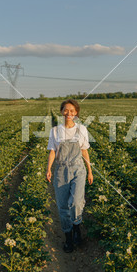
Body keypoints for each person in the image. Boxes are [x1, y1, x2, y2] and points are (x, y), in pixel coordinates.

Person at [46, 99, 93, 253]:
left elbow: (84, 150)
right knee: (63, 206)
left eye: (72, 111)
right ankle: (68, 237)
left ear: (76, 113)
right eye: (66, 110)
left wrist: (90, 171)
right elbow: (52, 151)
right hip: (61, 170)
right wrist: (49, 169)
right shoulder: (54, 131)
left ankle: (77, 225)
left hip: (78, 169)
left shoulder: (82, 129)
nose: (69, 113)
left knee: (77, 202)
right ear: (61, 111)